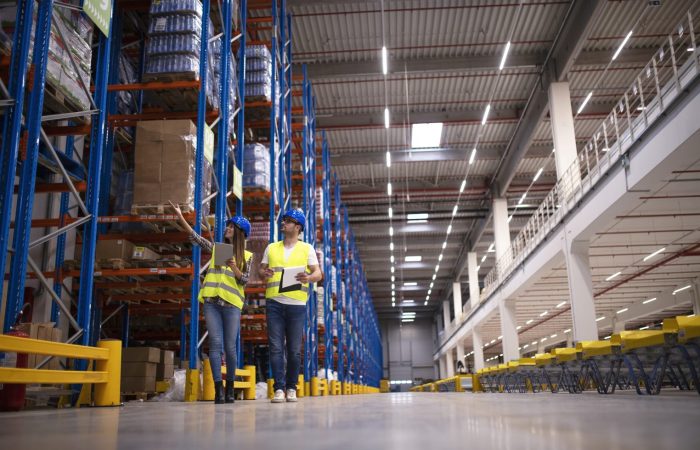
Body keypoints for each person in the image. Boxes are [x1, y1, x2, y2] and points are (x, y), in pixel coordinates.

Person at [171, 201, 252, 404]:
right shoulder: (221, 249)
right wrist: (181, 217)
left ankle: (231, 387)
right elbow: (197, 239)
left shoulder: (247, 256)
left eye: (232, 227)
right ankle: (219, 390)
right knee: (215, 344)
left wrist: (234, 268)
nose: (227, 228)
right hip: (212, 303)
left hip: (232, 305)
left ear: (240, 232)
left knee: (230, 348)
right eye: (228, 226)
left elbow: (244, 281)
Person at [259, 208, 322, 403]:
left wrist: (308, 277)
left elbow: (318, 274)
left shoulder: (307, 248)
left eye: (288, 221)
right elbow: (261, 271)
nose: (283, 223)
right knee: (276, 348)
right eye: (283, 220)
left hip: (296, 305)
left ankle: (291, 387)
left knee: (294, 350)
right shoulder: (271, 248)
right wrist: (264, 273)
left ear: (298, 226)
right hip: (274, 303)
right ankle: (279, 388)